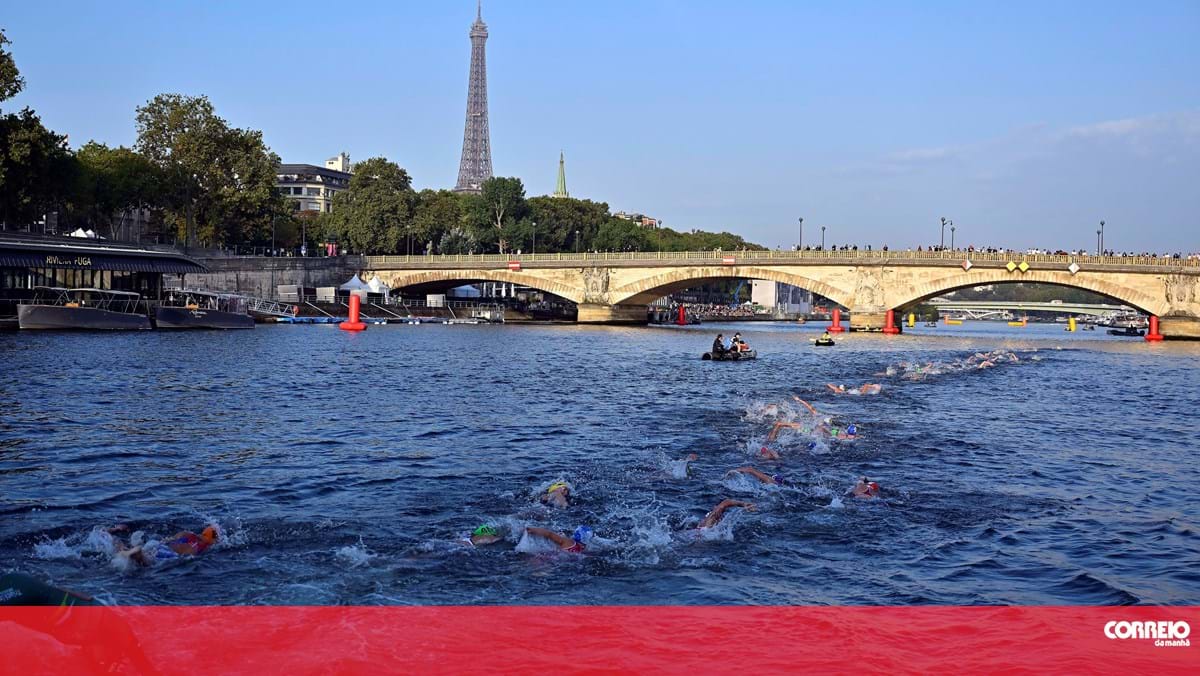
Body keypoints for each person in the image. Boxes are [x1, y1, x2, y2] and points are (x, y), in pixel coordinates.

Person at [109, 524, 219, 567]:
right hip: (170, 554)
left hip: (158, 545)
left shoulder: (186, 533)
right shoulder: (205, 546)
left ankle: (118, 541)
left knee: (148, 550)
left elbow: (166, 540)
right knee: (147, 561)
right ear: (213, 540)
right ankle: (137, 554)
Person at [524, 525, 593, 553]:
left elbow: (549, 534)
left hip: (554, 558)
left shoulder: (568, 541)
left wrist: (533, 530)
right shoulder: (584, 549)